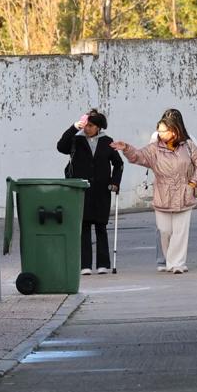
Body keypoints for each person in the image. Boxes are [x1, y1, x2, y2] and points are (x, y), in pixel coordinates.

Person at [112, 109, 197, 274]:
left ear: (175, 130)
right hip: (162, 193)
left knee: (180, 232)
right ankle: (170, 259)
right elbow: (138, 156)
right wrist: (126, 148)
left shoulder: (189, 145)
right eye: (159, 131)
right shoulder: (155, 148)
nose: (160, 134)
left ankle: (177, 263)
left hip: (184, 192)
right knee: (165, 230)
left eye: (164, 131)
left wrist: (193, 183)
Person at [57, 109, 123, 275]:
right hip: (82, 189)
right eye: (86, 125)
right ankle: (84, 265)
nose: (87, 129)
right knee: (84, 226)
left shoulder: (107, 141)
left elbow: (118, 163)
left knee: (101, 226)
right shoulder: (76, 140)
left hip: (101, 190)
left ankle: (103, 264)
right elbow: (61, 147)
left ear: (98, 127)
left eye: (91, 126)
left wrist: (115, 182)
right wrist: (74, 127)